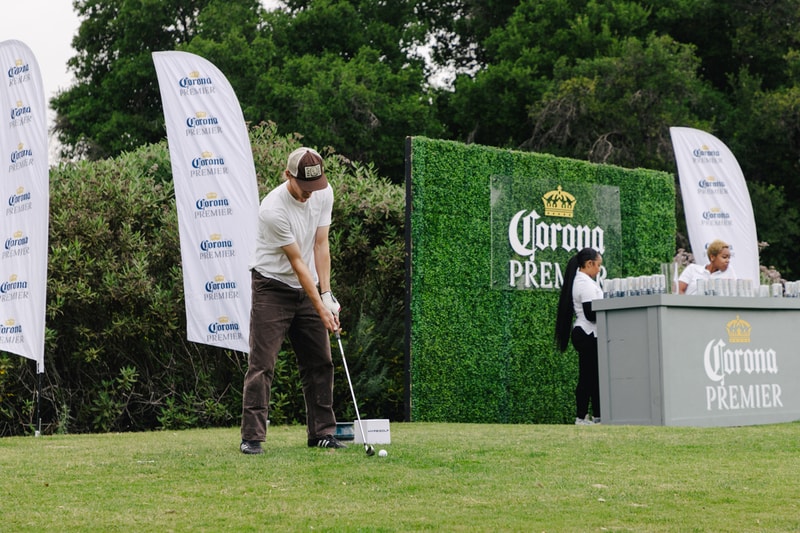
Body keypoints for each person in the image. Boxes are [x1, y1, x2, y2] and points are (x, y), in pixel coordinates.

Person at [240, 147, 346, 455]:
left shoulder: (322, 193)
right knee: (262, 364)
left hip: (309, 287)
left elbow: (321, 243)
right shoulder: (273, 209)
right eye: (304, 188)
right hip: (272, 287)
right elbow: (298, 262)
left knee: (321, 362)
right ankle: (252, 437)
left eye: (315, 187)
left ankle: (322, 433)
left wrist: (326, 296)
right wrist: (320, 307)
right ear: (288, 176)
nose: (309, 195)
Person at [555, 248, 604, 425]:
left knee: (594, 377)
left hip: (590, 333)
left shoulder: (586, 281)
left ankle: (597, 415)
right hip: (587, 332)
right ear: (589, 264)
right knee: (588, 377)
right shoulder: (584, 283)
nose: (599, 269)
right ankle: (581, 416)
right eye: (598, 265)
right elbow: (590, 314)